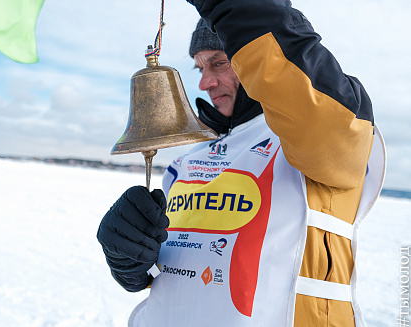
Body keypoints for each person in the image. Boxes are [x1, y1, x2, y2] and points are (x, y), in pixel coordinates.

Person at [97, 0, 386, 326]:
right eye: (200, 69)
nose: (204, 83)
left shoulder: (309, 140)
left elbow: (300, 88)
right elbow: (170, 267)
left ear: (251, 58)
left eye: (219, 63)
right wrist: (129, 256)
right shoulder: (190, 158)